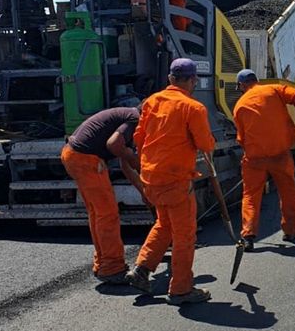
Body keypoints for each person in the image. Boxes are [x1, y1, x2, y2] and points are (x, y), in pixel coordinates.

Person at [125, 58, 216, 305]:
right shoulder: (193, 107)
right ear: (192, 80)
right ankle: (181, 290)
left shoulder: (151, 102)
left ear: (170, 79)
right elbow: (205, 144)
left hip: (150, 177)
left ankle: (142, 269)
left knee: (164, 225)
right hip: (175, 179)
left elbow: (139, 139)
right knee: (185, 235)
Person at [61, 107, 145, 284]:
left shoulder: (126, 117)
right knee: (107, 214)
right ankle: (112, 268)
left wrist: (144, 191)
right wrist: (132, 156)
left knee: (98, 214)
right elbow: (114, 145)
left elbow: (125, 166)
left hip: (73, 154)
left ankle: (103, 264)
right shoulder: (135, 118)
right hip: (86, 159)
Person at [232, 69, 295, 248]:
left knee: (250, 195)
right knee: (288, 191)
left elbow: (241, 139)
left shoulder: (239, 105)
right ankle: (290, 232)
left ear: (242, 85)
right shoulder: (274, 89)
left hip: (254, 159)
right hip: (280, 154)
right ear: (257, 80)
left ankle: (248, 235)